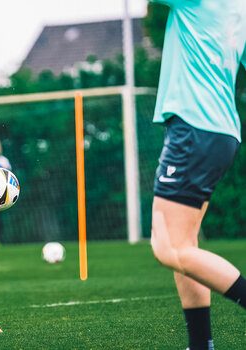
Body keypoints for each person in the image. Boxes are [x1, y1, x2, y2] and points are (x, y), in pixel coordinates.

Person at [149, 1, 246, 349]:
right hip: (220, 131)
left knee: (169, 248)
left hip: (194, 129)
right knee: (184, 246)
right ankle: (200, 344)